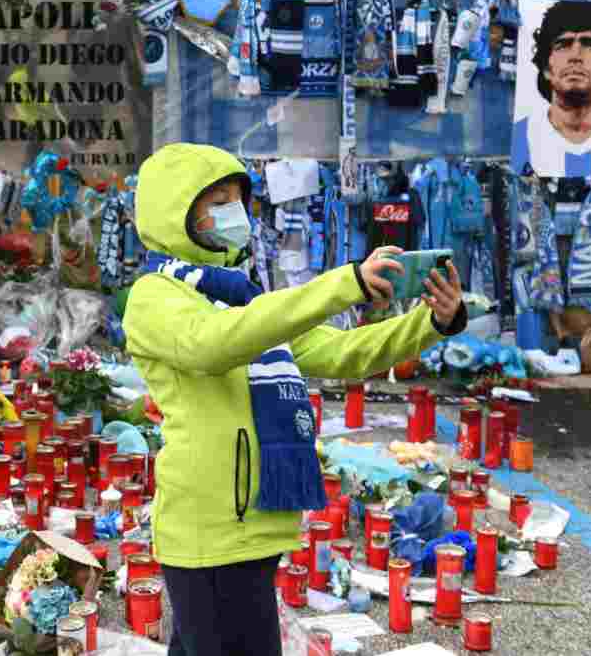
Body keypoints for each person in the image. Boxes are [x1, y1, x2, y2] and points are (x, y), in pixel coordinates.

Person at [122, 143, 466, 656]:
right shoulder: (155, 298)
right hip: (209, 528)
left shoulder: (245, 296)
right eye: (215, 200)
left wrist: (431, 322)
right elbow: (217, 343)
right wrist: (343, 284)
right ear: (176, 211)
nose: (231, 214)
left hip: (258, 520)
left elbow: (342, 352)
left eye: (236, 200)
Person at [511, 0, 591, 179]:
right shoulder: (520, 135)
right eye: (563, 45)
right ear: (547, 68)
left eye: (590, 44)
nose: (575, 56)